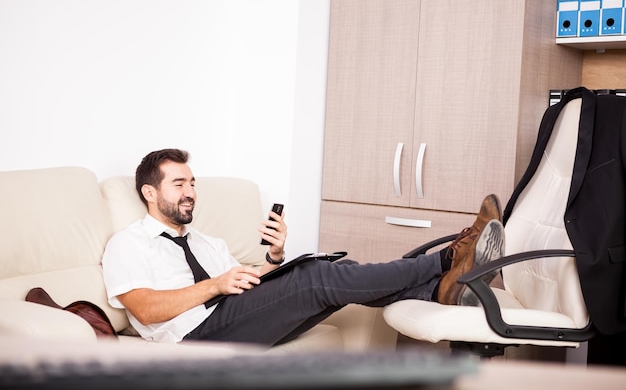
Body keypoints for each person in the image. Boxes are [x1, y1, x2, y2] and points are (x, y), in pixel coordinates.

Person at [102, 148, 504, 345]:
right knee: (316, 278)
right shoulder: (127, 244)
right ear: (150, 192)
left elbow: (244, 284)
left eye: (193, 184)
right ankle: (447, 260)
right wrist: (216, 286)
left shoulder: (207, 243)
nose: (190, 193)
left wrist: (275, 259)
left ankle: (438, 288)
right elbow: (143, 308)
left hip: (232, 316)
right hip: (194, 337)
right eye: (179, 184)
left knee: (326, 271)